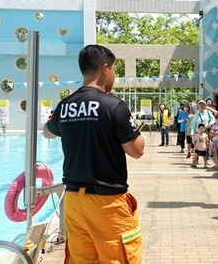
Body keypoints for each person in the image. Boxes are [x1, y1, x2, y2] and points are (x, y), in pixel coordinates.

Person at [43, 45, 145, 263]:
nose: (114, 76)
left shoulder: (65, 105)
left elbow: (47, 132)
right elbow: (137, 150)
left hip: (73, 201)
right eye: (114, 70)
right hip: (105, 203)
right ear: (105, 68)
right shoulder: (113, 105)